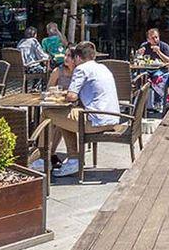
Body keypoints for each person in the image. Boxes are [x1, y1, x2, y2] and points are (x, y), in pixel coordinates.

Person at [32, 42, 120, 178]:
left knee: (48, 112)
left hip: (96, 120)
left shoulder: (82, 69)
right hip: (111, 117)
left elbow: (72, 96)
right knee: (65, 115)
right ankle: (72, 158)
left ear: (78, 58)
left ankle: (44, 158)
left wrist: (64, 95)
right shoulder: (103, 67)